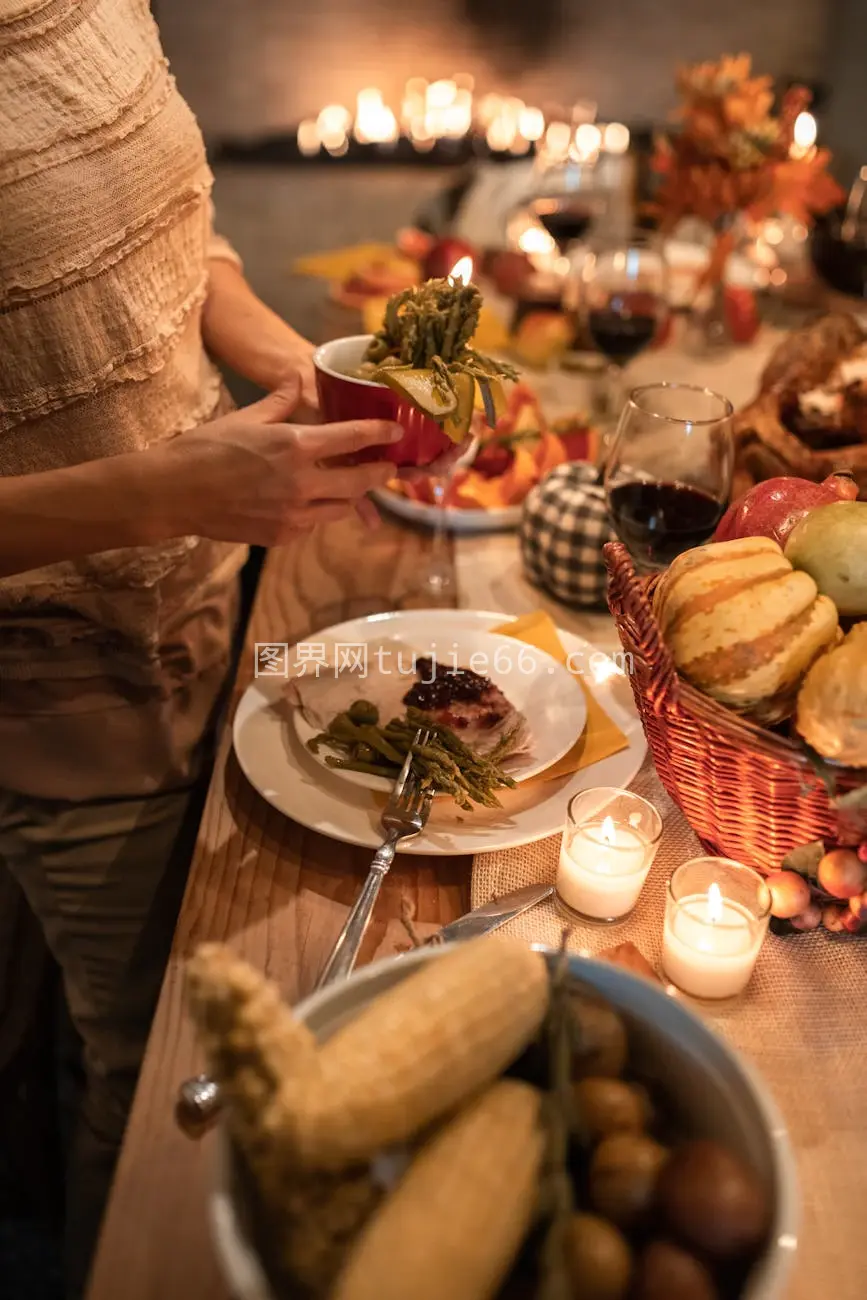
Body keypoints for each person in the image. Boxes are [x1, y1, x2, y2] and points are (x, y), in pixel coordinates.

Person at [0, 1, 400, 1294]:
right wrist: (172, 494)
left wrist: (305, 369)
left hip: (224, 607)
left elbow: (171, 236)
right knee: (161, 1082)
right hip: (70, 698)